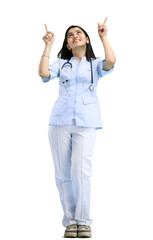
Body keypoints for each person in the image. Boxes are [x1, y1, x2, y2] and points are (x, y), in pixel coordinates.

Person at [38, 17, 116, 238]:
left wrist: (104, 37)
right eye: (70, 35)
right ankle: (70, 222)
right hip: (59, 122)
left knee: (81, 172)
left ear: (87, 39)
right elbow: (44, 73)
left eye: (78, 32)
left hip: (86, 121)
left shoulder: (96, 64)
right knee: (63, 174)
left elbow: (111, 61)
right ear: (68, 44)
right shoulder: (62, 64)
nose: (74, 36)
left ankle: (83, 221)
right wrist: (48, 46)